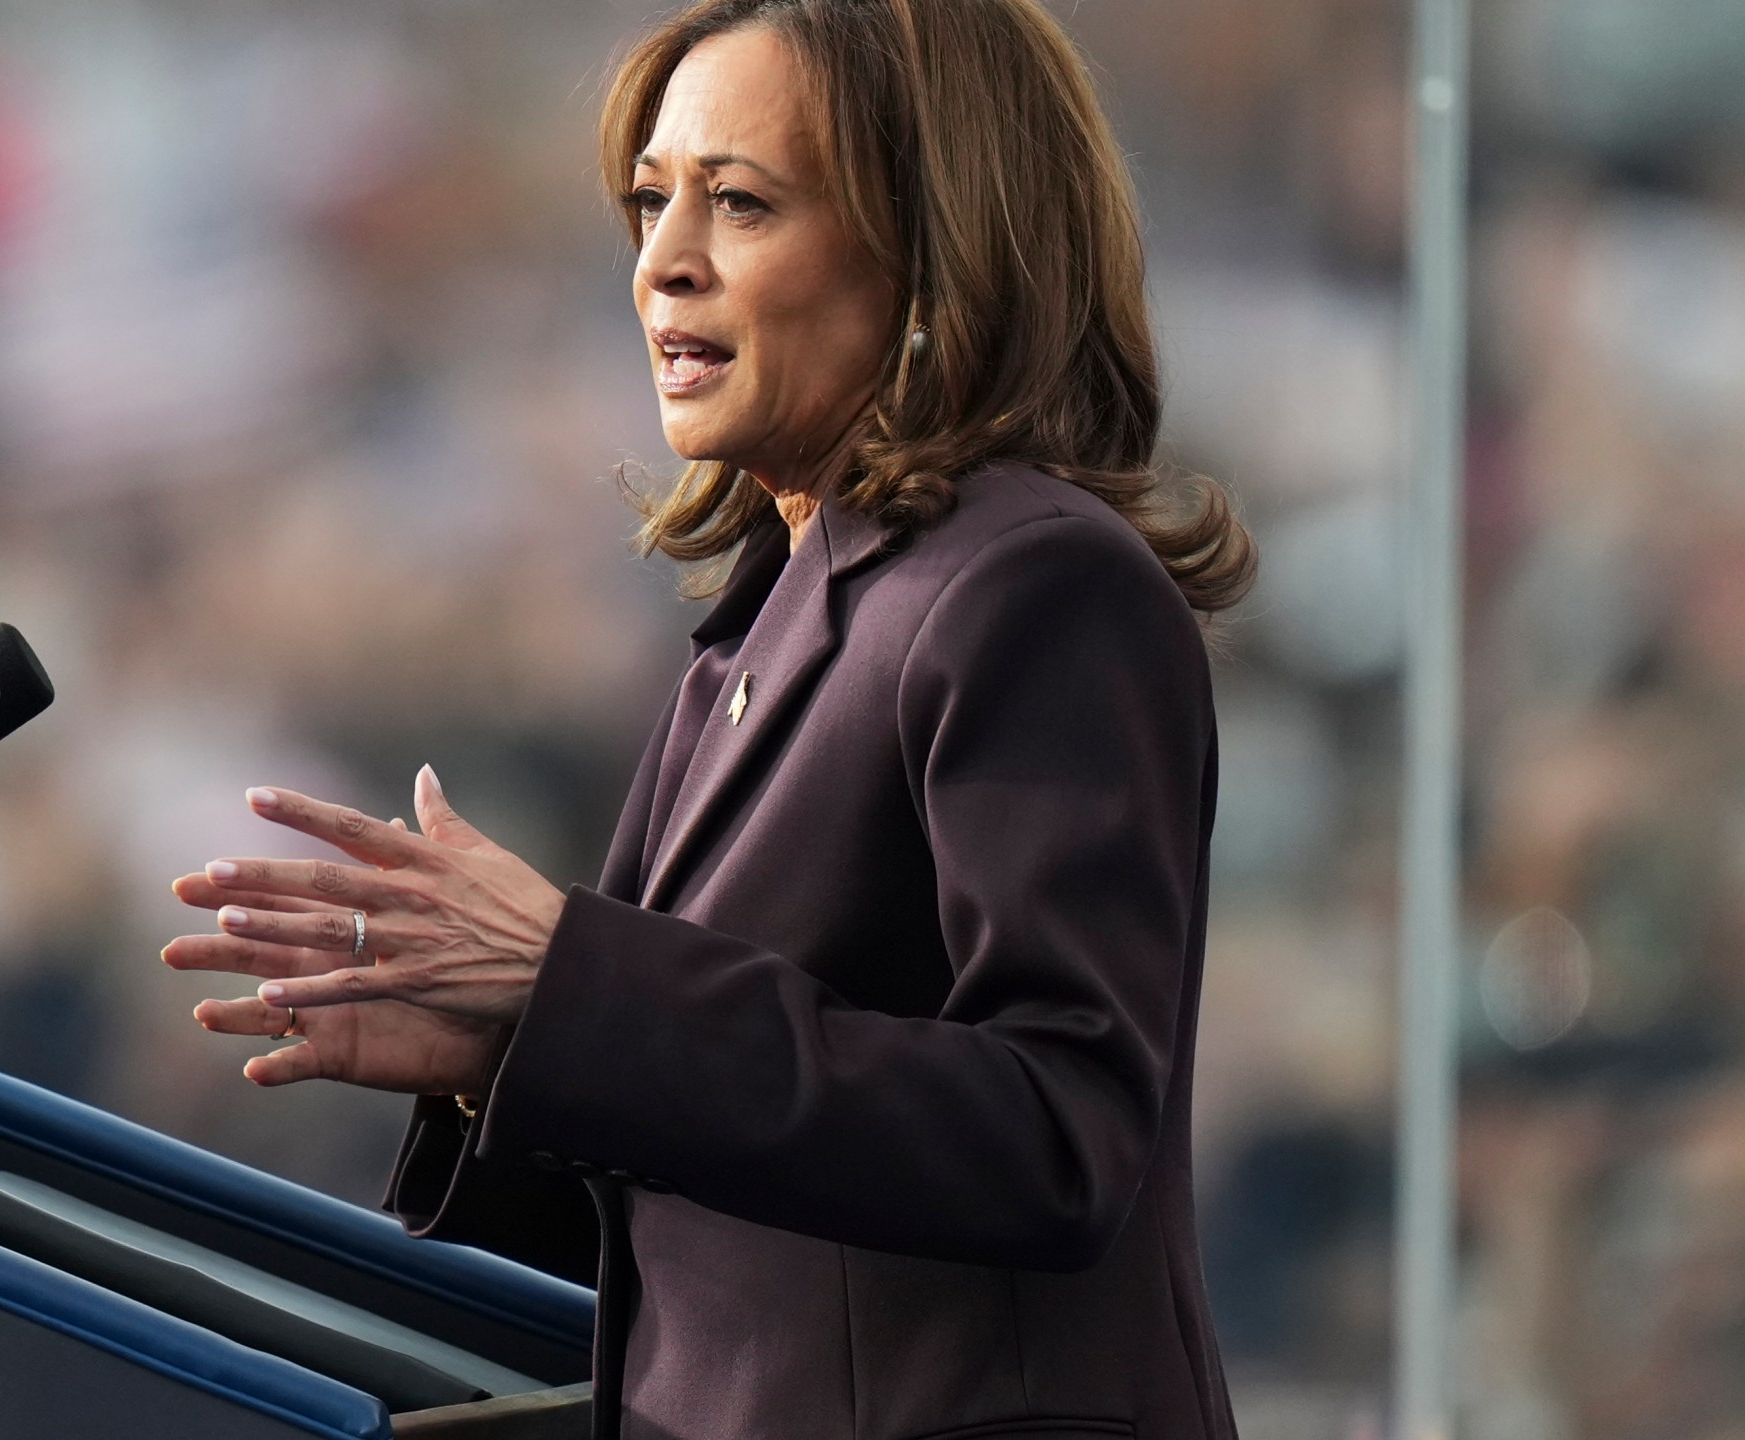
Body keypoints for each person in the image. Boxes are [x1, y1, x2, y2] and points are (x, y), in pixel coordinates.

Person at [162, 1, 1256, 1434]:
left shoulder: (1034, 586)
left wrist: (575, 980)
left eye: (738, 203)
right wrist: (513, 1049)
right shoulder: (763, 617)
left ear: (935, 245)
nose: (662, 261)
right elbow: (722, 1224)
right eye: (649, 201)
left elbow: (1058, 1134)